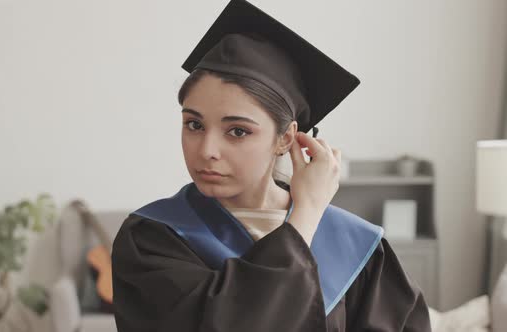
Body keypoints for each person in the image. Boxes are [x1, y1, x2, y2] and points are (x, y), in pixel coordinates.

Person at [111, 0, 432, 330]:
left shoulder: (358, 246)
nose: (207, 150)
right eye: (194, 125)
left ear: (285, 138)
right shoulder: (152, 238)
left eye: (237, 131)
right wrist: (305, 215)